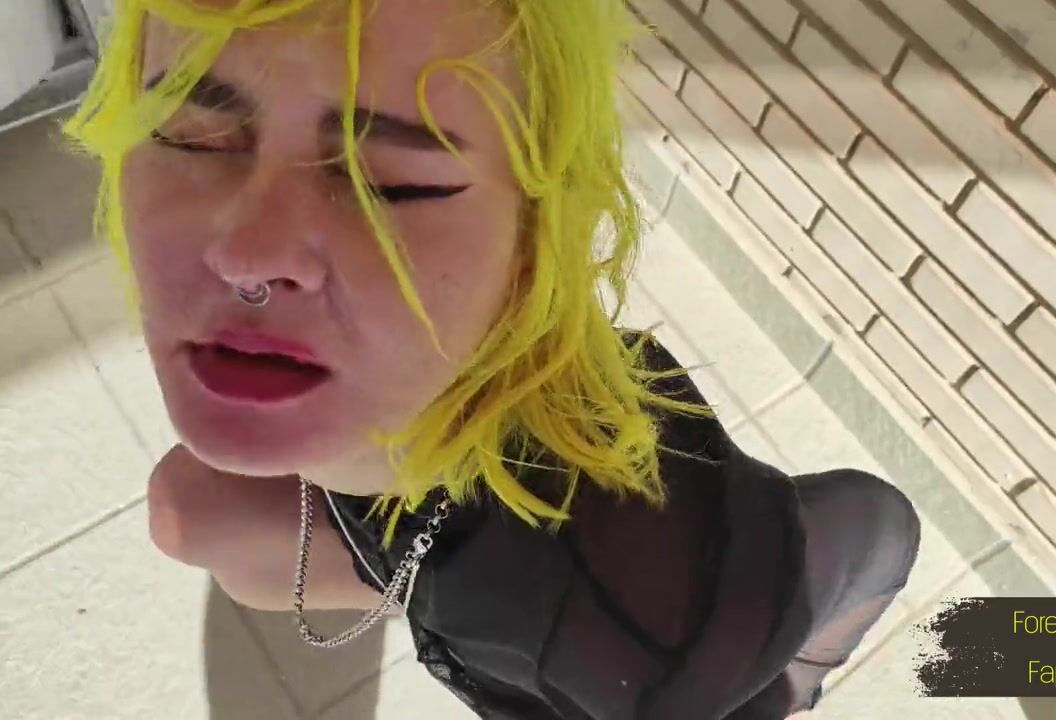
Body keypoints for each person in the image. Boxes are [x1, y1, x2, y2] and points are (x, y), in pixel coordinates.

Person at [63, 0, 922, 717]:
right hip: (434, 526)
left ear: (531, 241)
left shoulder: (647, 624)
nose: (247, 257)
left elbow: (881, 522)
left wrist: (791, 669)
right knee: (190, 515)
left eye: (391, 182)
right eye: (186, 135)